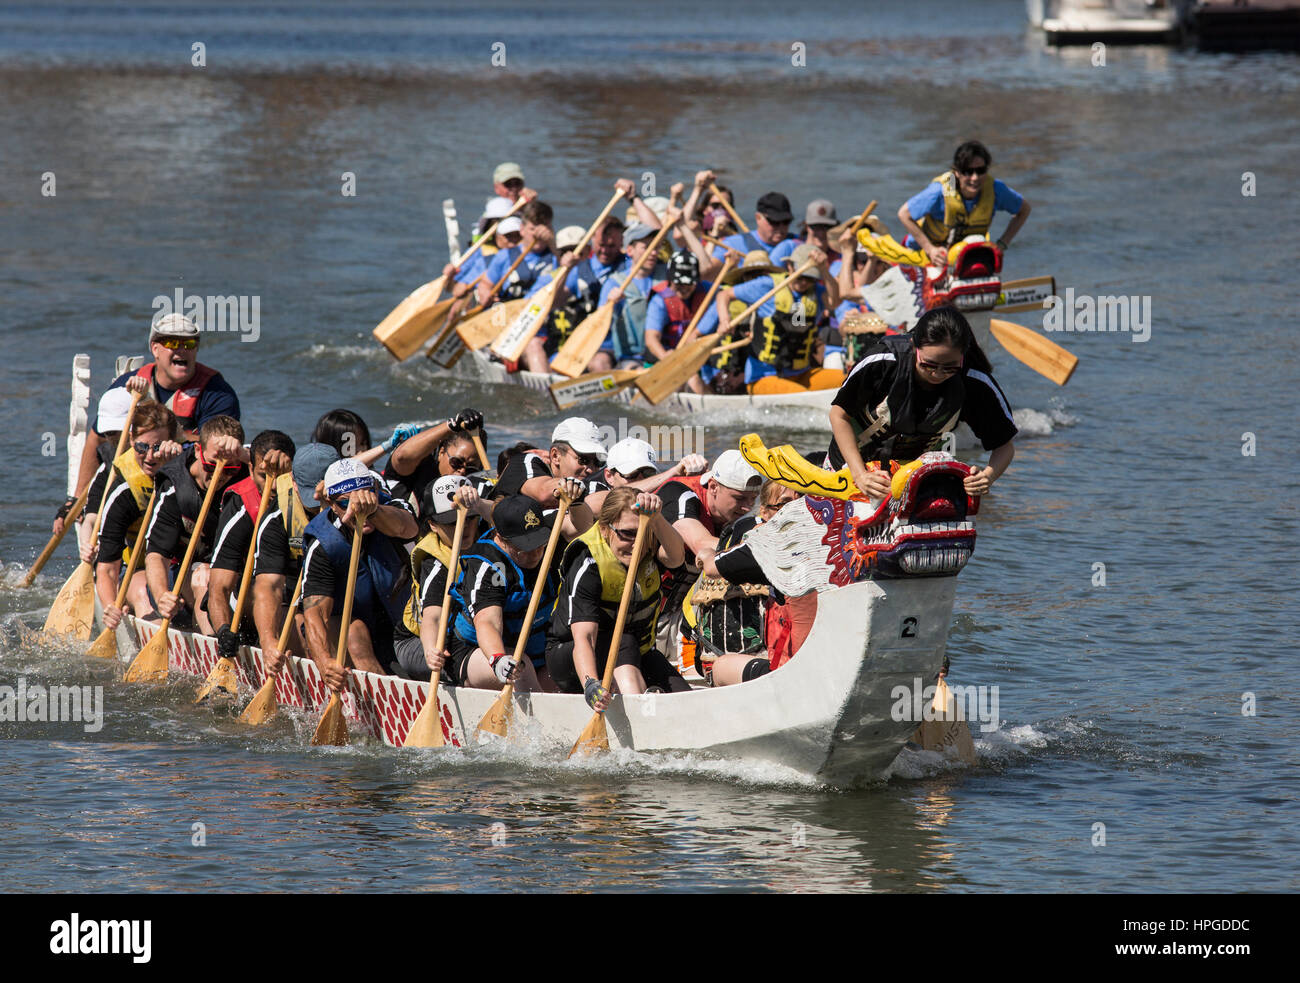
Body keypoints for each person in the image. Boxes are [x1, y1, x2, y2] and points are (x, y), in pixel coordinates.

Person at [827, 306, 1017, 500]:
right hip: (849, 469)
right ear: (913, 346)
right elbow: (838, 414)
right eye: (928, 365)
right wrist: (860, 476)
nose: (938, 374)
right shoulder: (883, 361)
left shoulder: (974, 381)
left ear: (963, 355)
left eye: (950, 367)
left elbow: (1004, 446)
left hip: (916, 478)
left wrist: (987, 477)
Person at [71, 312, 240, 508]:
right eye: (173, 343)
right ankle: (99, 508)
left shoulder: (218, 394)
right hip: (134, 478)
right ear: (155, 348)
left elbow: (214, 454)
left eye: (189, 344)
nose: (182, 350)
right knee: (110, 445)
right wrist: (75, 500)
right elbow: (97, 438)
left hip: (186, 488)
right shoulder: (128, 385)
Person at [547, 488, 690, 709]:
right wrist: (591, 684)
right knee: (624, 641)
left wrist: (656, 518)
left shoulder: (647, 546)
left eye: (643, 532)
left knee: (685, 701)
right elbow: (584, 638)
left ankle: (639, 698)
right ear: (605, 529)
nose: (637, 543)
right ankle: (637, 706)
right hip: (574, 657)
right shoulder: (589, 563)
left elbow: (676, 557)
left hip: (636, 651)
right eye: (627, 534)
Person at [301, 458, 419, 694]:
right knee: (354, 634)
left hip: (404, 623)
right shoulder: (324, 544)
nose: (357, 510)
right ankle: (388, 705)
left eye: (365, 498)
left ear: (375, 491)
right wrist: (325, 664)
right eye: (346, 504)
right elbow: (314, 614)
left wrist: (373, 510)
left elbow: (406, 529)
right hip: (351, 625)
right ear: (332, 506)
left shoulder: (394, 508)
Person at [446, 494, 568, 692]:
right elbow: (488, 621)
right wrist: (498, 658)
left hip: (535, 648)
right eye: (525, 547)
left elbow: (582, 526)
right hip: (478, 653)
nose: (535, 553)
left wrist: (577, 502)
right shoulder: (488, 567)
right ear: (501, 539)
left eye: (539, 544)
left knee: (567, 666)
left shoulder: (551, 545)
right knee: (522, 666)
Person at [145, 414, 249, 635]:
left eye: (230, 468)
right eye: (212, 465)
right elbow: (156, 553)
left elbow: (283, 471)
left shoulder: (248, 469)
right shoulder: (175, 486)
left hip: (233, 572)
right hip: (185, 575)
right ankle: (213, 642)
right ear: (198, 451)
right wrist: (162, 595)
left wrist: (246, 456)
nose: (221, 474)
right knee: (204, 576)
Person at [656, 449, 763, 661]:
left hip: (683, 614)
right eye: (740, 498)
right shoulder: (679, 494)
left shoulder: (734, 512)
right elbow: (701, 544)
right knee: (727, 567)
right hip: (651, 623)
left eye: (753, 499)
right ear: (713, 487)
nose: (748, 507)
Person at [391, 475, 493, 681]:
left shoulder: (485, 533)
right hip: (418, 641)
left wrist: (480, 504)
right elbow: (433, 617)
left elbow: (506, 517)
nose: (462, 527)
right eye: (451, 522)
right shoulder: (436, 563)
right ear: (433, 525)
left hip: (464, 631)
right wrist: (430, 650)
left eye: (469, 518)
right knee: (455, 657)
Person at [207, 430, 296, 662]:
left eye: (282, 475)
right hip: (252, 596)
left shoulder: (305, 499)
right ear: (249, 469)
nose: (273, 486)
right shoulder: (242, 505)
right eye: (264, 476)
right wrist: (224, 631)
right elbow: (219, 588)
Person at [95, 400, 183, 631]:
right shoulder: (124, 493)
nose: (151, 457)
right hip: (136, 568)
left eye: (158, 447)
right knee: (144, 588)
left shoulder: (188, 470)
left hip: (181, 567)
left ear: (172, 443)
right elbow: (106, 567)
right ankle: (152, 633)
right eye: (142, 448)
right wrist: (110, 606)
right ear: (131, 441)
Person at [252, 442, 338, 675]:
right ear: (293, 482)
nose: (318, 501)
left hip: (340, 597)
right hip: (293, 600)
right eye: (311, 494)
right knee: (300, 630)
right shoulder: (277, 519)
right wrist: (268, 642)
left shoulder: (351, 509)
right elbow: (269, 586)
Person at [715, 242, 842, 393]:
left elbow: (835, 301)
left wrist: (824, 270)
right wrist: (724, 320)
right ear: (790, 266)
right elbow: (724, 295)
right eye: (801, 277)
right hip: (764, 376)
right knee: (800, 395)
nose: (804, 283)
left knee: (848, 380)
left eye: (810, 279)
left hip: (801, 374)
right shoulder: (767, 286)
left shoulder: (815, 293)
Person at [895, 140, 1032, 268]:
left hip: (964, 257)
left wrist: (1002, 244)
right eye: (968, 172)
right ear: (957, 173)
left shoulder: (995, 189)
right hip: (925, 255)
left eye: (980, 171)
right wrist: (930, 249)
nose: (975, 178)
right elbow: (904, 214)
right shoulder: (940, 191)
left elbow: (1024, 210)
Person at [489, 418, 601, 534]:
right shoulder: (525, 461)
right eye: (584, 460)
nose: (591, 469)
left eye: (597, 462)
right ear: (555, 455)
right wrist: (571, 488)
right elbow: (543, 492)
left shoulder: (597, 481)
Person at [383, 407, 490, 505]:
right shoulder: (418, 468)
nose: (462, 471)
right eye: (456, 462)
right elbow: (402, 457)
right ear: (441, 452)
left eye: (471, 468)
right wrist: (452, 425)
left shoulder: (480, 488)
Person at [643, 250, 720, 381]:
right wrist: (666, 358)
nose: (684, 287)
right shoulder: (659, 301)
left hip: (697, 358)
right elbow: (651, 339)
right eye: (678, 283)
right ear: (670, 279)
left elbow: (725, 299)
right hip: (666, 358)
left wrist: (697, 332)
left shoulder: (709, 291)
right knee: (693, 380)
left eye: (689, 283)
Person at [584, 438, 708, 514]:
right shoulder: (592, 485)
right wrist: (674, 471)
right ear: (609, 476)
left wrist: (700, 473)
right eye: (631, 474)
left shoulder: (661, 489)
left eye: (647, 473)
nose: (641, 479)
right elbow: (593, 508)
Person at [710, 191, 794, 263]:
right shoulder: (732, 245)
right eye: (774, 222)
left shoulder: (796, 244)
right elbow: (706, 274)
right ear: (758, 217)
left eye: (786, 222)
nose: (781, 227)